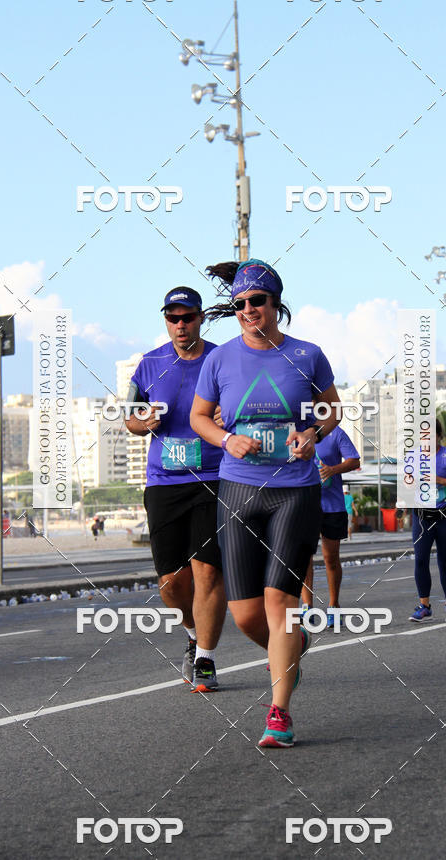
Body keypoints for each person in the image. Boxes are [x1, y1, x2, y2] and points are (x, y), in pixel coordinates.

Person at [190, 259, 341, 748]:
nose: (249, 310)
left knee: (280, 602)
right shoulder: (219, 360)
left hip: (294, 490)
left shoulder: (307, 354)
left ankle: (279, 712)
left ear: (276, 304)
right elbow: (199, 417)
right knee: (246, 615)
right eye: (240, 304)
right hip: (237, 489)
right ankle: (290, 653)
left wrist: (312, 433)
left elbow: (331, 409)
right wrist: (225, 439)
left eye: (258, 301)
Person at [125, 286, 227, 692]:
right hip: (164, 482)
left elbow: (248, 406)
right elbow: (128, 417)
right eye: (173, 317)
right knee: (171, 582)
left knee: (208, 571)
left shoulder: (221, 359)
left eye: (187, 317)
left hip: (215, 478)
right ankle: (191, 631)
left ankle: (205, 658)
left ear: (201, 318)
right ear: (165, 320)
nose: (180, 324)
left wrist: (228, 413)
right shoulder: (149, 364)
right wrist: (142, 421)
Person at [409, 419, 446, 623]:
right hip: (422, 515)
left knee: (444, 560)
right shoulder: (413, 456)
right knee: (420, 559)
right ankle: (424, 606)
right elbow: (406, 484)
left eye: (431, 435)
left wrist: (440, 480)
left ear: (439, 436)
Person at [300, 428, 360, 627]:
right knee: (303, 557)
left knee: (330, 558)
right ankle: (307, 607)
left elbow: (354, 460)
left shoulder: (335, 433)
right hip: (304, 504)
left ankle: (334, 606)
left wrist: (333, 469)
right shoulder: (295, 429)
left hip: (332, 506)